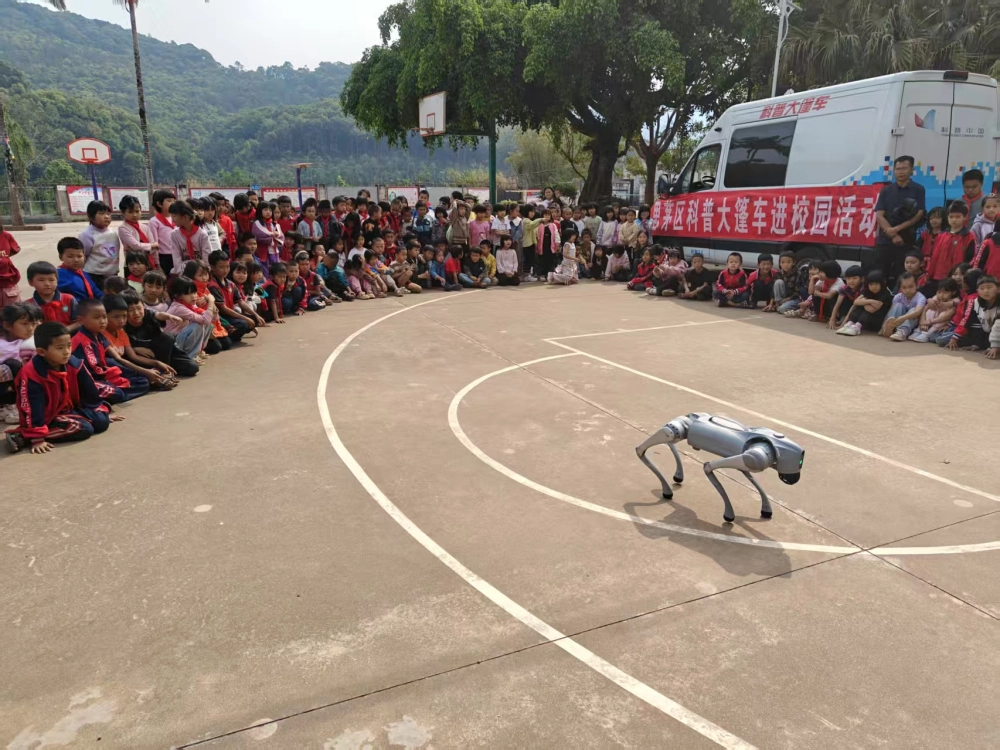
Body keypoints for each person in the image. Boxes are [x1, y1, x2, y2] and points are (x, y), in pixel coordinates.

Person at [4, 321, 120, 454]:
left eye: (69, 346)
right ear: (41, 352)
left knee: (101, 422)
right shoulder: (31, 374)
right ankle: (24, 436)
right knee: (84, 428)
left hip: (69, 409)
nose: (66, 352)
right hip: (46, 417)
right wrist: (37, 437)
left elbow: (90, 392)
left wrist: (98, 411)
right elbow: (31, 407)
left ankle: (26, 436)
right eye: (60, 348)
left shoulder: (74, 363)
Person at [71, 298, 153, 402]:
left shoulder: (98, 334)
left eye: (104, 317)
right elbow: (94, 373)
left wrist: (143, 372)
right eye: (96, 317)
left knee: (142, 381)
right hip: (89, 381)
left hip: (102, 376)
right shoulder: (83, 342)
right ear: (81, 320)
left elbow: (115, 360)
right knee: (117, 392)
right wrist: (114, 377)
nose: (102, 321)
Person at [101, 294, 177, 389]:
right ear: (104, 316)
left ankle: (155, 378)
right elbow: (118, 359)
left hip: (124, 365)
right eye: (116, 317)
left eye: (124, 316)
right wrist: (146, 372)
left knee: (154, 368)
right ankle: (152, 380)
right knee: (113, 363)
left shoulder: (121, 332)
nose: (122, 320)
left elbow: (134, 356)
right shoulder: (102, 334)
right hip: (114, 368)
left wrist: (157, 363)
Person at [120, 289, 199, 377]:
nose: (136, 313)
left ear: (143, 306)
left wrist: (169, 316)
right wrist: (135, 349)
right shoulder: (121, 325)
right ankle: (162, 372)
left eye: (139, 308)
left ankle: (165, 369)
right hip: (143, 357)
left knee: (192, 367)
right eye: (130, 310)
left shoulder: (148, 313)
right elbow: (122, 350)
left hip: (162, 353)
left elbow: (159, 315)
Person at [873, 155, 926, 285]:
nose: (900, 172)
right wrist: (893, 234)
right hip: (885, 240)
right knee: (880, 274)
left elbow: (919, 214)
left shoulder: (918, 189)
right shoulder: (886, 190)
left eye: (904, 168)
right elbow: (879, 215)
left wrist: (896, 229)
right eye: (898, 169)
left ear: (912, 170)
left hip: (906, 239)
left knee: (902, 274)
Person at [0, 303, 40, 424]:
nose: (30, 328)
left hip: (26, 385)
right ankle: (7, 407)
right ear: (7, 325)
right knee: (13, 365)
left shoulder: (33, 342)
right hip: (6, 388)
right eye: (24, 324)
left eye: (33, 324)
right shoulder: (2, 345)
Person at [208, 250, 259, 341]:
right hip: (221, 317)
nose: (226, 270)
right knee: (244, 323)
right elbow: (223, 309)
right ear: (213, 267)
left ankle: (233, 333)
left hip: (231, 315)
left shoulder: (230, 283)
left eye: (227, 266)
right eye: (221, 267)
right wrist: (245, 318)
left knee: (254, 319)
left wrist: (256, 315)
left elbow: (240, 301)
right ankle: (229, 336)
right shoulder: (213, 285)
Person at [925, 200, 976, 292]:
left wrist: (962, 276)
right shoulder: (941, 235)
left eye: (958, 217)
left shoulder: (969, 236)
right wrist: (929, 275)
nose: (954, 219)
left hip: (956, 280)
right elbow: (934, 257)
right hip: (937, 276)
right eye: (951, 216)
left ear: (965, 217)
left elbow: (970, 259)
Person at [163, 274, 215, 362]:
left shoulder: (190, 304)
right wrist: (211, 302)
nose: (193, 296)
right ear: (178, 296)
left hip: (181, 338)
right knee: (197, 324)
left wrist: (210, 304)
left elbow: (211, 318)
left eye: (194, 292)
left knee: (208, 324)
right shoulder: (178, 308)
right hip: (173, 343)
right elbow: (205, 320)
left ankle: (198, 352)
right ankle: (191, 356)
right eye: (188, 293)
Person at [946, 275, 998, 356]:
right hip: (987, 334)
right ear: (977, 291)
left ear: (998, 289)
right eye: (982, 288)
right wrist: (976, 343)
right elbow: (968, 320)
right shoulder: (976, 302)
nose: (986, 291)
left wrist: (995, 346)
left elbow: (998, 325)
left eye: (989, 287)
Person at [77, 200, 121, 290]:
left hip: (112, 274)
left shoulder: (113, 233)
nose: (106, 216)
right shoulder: (87, 235)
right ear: (91, 216)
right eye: (101, 213)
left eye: (108, 214)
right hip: (94, 275)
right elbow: (83, 256)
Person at [836, 271, 892, 336]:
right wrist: (870, 301)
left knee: (865, 311)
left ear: (882, 284)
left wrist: (863, 302)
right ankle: (850, 323)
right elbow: (856, 302)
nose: (874, 287)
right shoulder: (867, 291)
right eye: (871, 284)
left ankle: (857, 327)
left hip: (877, 320)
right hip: (866, 319)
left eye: (876, 284)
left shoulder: (885, 294)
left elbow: (871, 310)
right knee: (857, 309)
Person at [25, 261, 78, 327]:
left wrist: (65, 330)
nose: (47, 284)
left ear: (57, 281)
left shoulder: (69, 299)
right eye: (41, 280)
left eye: (51, 280)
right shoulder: (29, 306)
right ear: (30, 282)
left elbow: (79, 322)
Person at [907, 279, 959, 343]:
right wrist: (923, 322)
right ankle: (919, 330)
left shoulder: (955, 301)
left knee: (945, 313)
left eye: (945, 293)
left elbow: (946, 316)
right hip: (930, 321)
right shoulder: (936, 298)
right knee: (931, 310)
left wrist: (930, 322)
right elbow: (926, 308)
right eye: (939, 292)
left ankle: (927, 334)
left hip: (941, 323)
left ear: (953, 292)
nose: (941, 295)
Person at [881, 272, 927, 340]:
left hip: (912, 324)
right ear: (900, 288)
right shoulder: (898, 297)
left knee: (913, 310)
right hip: (897, 322)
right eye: (904, 287)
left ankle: (902, 332)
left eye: (911, 287)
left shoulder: (920, 298)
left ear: (917, 285)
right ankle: (890, 328)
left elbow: (918, 312)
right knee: (898, 305)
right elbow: (891, 311)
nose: (907, 290)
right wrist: (883, 324)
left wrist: (903, 318)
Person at [166, 200, 211, 267]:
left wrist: (200, 270)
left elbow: (206, 259)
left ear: (185, 217)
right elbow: (176, 260)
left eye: (174, 216)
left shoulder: (202, 234)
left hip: (201, 270)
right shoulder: (174, 235)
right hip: (183, 271)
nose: (172, 220)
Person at [56, 237, 102, 302]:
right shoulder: (58, 275)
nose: (76, 260)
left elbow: (97, 292)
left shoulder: (84, 274)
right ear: (61, 257)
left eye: (79, 256)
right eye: (70, 256)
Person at [827, 265, 865, 329]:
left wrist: (842, 325)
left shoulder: (863, 289)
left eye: (855, 278)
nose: (851, 281)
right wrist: (832, 319)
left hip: (859, 308)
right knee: (837, 299)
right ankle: (842, 318)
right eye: (848, 278)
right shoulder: (845, 288)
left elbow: (854, 306)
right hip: (849, 306)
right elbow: (837, 304)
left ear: (862, 279)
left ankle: (850, 321)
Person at [148, 189, 176, 271]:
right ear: (159, 204)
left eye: (174, 201)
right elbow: (154, 243)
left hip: (177, 255)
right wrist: (157, 263)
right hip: (164, 257)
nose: (173, 204)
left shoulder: (176, 218)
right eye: (169, 201)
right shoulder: (154, 222)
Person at [252, 202, 283, 267]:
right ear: (260, 211)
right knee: (265, 269)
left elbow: (281, 236)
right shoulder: (257, 223)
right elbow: (260, 235)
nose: (268, 212)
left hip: (274, 251)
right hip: (262, 251)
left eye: (270, 210)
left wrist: (276, 235)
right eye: (265, 210)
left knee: (275, 268)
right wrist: (273, 235)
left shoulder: (274, 223)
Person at [0, 216, 21, 308]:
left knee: (13, 311)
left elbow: (17, 248)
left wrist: (5, 258)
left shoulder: (6, 236)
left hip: (8, 280)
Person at [536, 209, 561, 281]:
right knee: (541, 260)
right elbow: (537, 235)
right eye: (545, 215)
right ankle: (542, 274)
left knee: (550, 260)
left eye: (548, 215)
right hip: (542, 246)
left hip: (550, 246)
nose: (547, 217)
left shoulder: (553, 225)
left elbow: (556, 235)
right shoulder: (539, 225)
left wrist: (557, 243)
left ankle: (550, 274)